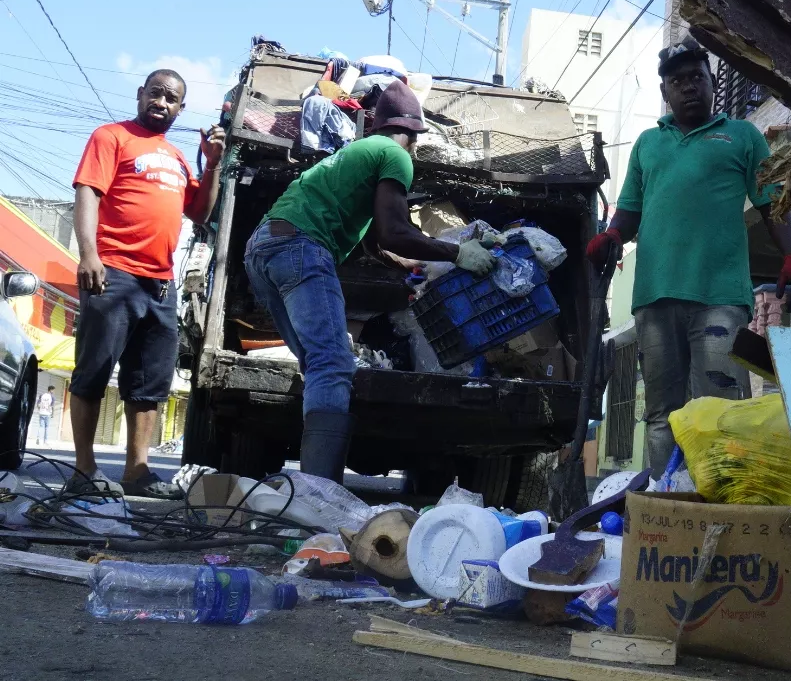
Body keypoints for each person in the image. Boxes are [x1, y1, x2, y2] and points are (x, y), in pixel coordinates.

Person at [244, 81, 497, 482]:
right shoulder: (396, 154)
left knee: (317, 362)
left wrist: (413, 267)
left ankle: (310, 485)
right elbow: (395, 230)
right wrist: (456, 252)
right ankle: (319, 492)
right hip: (302, 246)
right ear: (412, 134)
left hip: (263, 249)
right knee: (332, 363)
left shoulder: (356, 154)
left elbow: (377, 243)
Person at [586, 37, 791, 477]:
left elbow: (770, 202)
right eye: (677, 81)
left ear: (711, 84)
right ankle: (664, 504)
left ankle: (723, 509)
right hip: (655, 299)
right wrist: (610, 235)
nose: (689, 86)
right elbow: (630, 212)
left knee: (721, 410)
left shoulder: (742, 136)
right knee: (662, 416)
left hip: (720, 297)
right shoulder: (649, 143)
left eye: (697, 78)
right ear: (665, 92)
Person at [69, 69, 226, 498]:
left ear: (181, 108)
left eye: (172, 98)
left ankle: (137, 472)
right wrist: (88, 254)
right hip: (113, 272)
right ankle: (83, 472)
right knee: (93, 372)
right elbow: (87, 193)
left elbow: (201, 212)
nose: (162, 102)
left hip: (159, 283)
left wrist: (211, 162)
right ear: (140, 95)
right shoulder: (111, 137)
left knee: (149, 383)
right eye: (155, 93)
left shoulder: (176, 157)